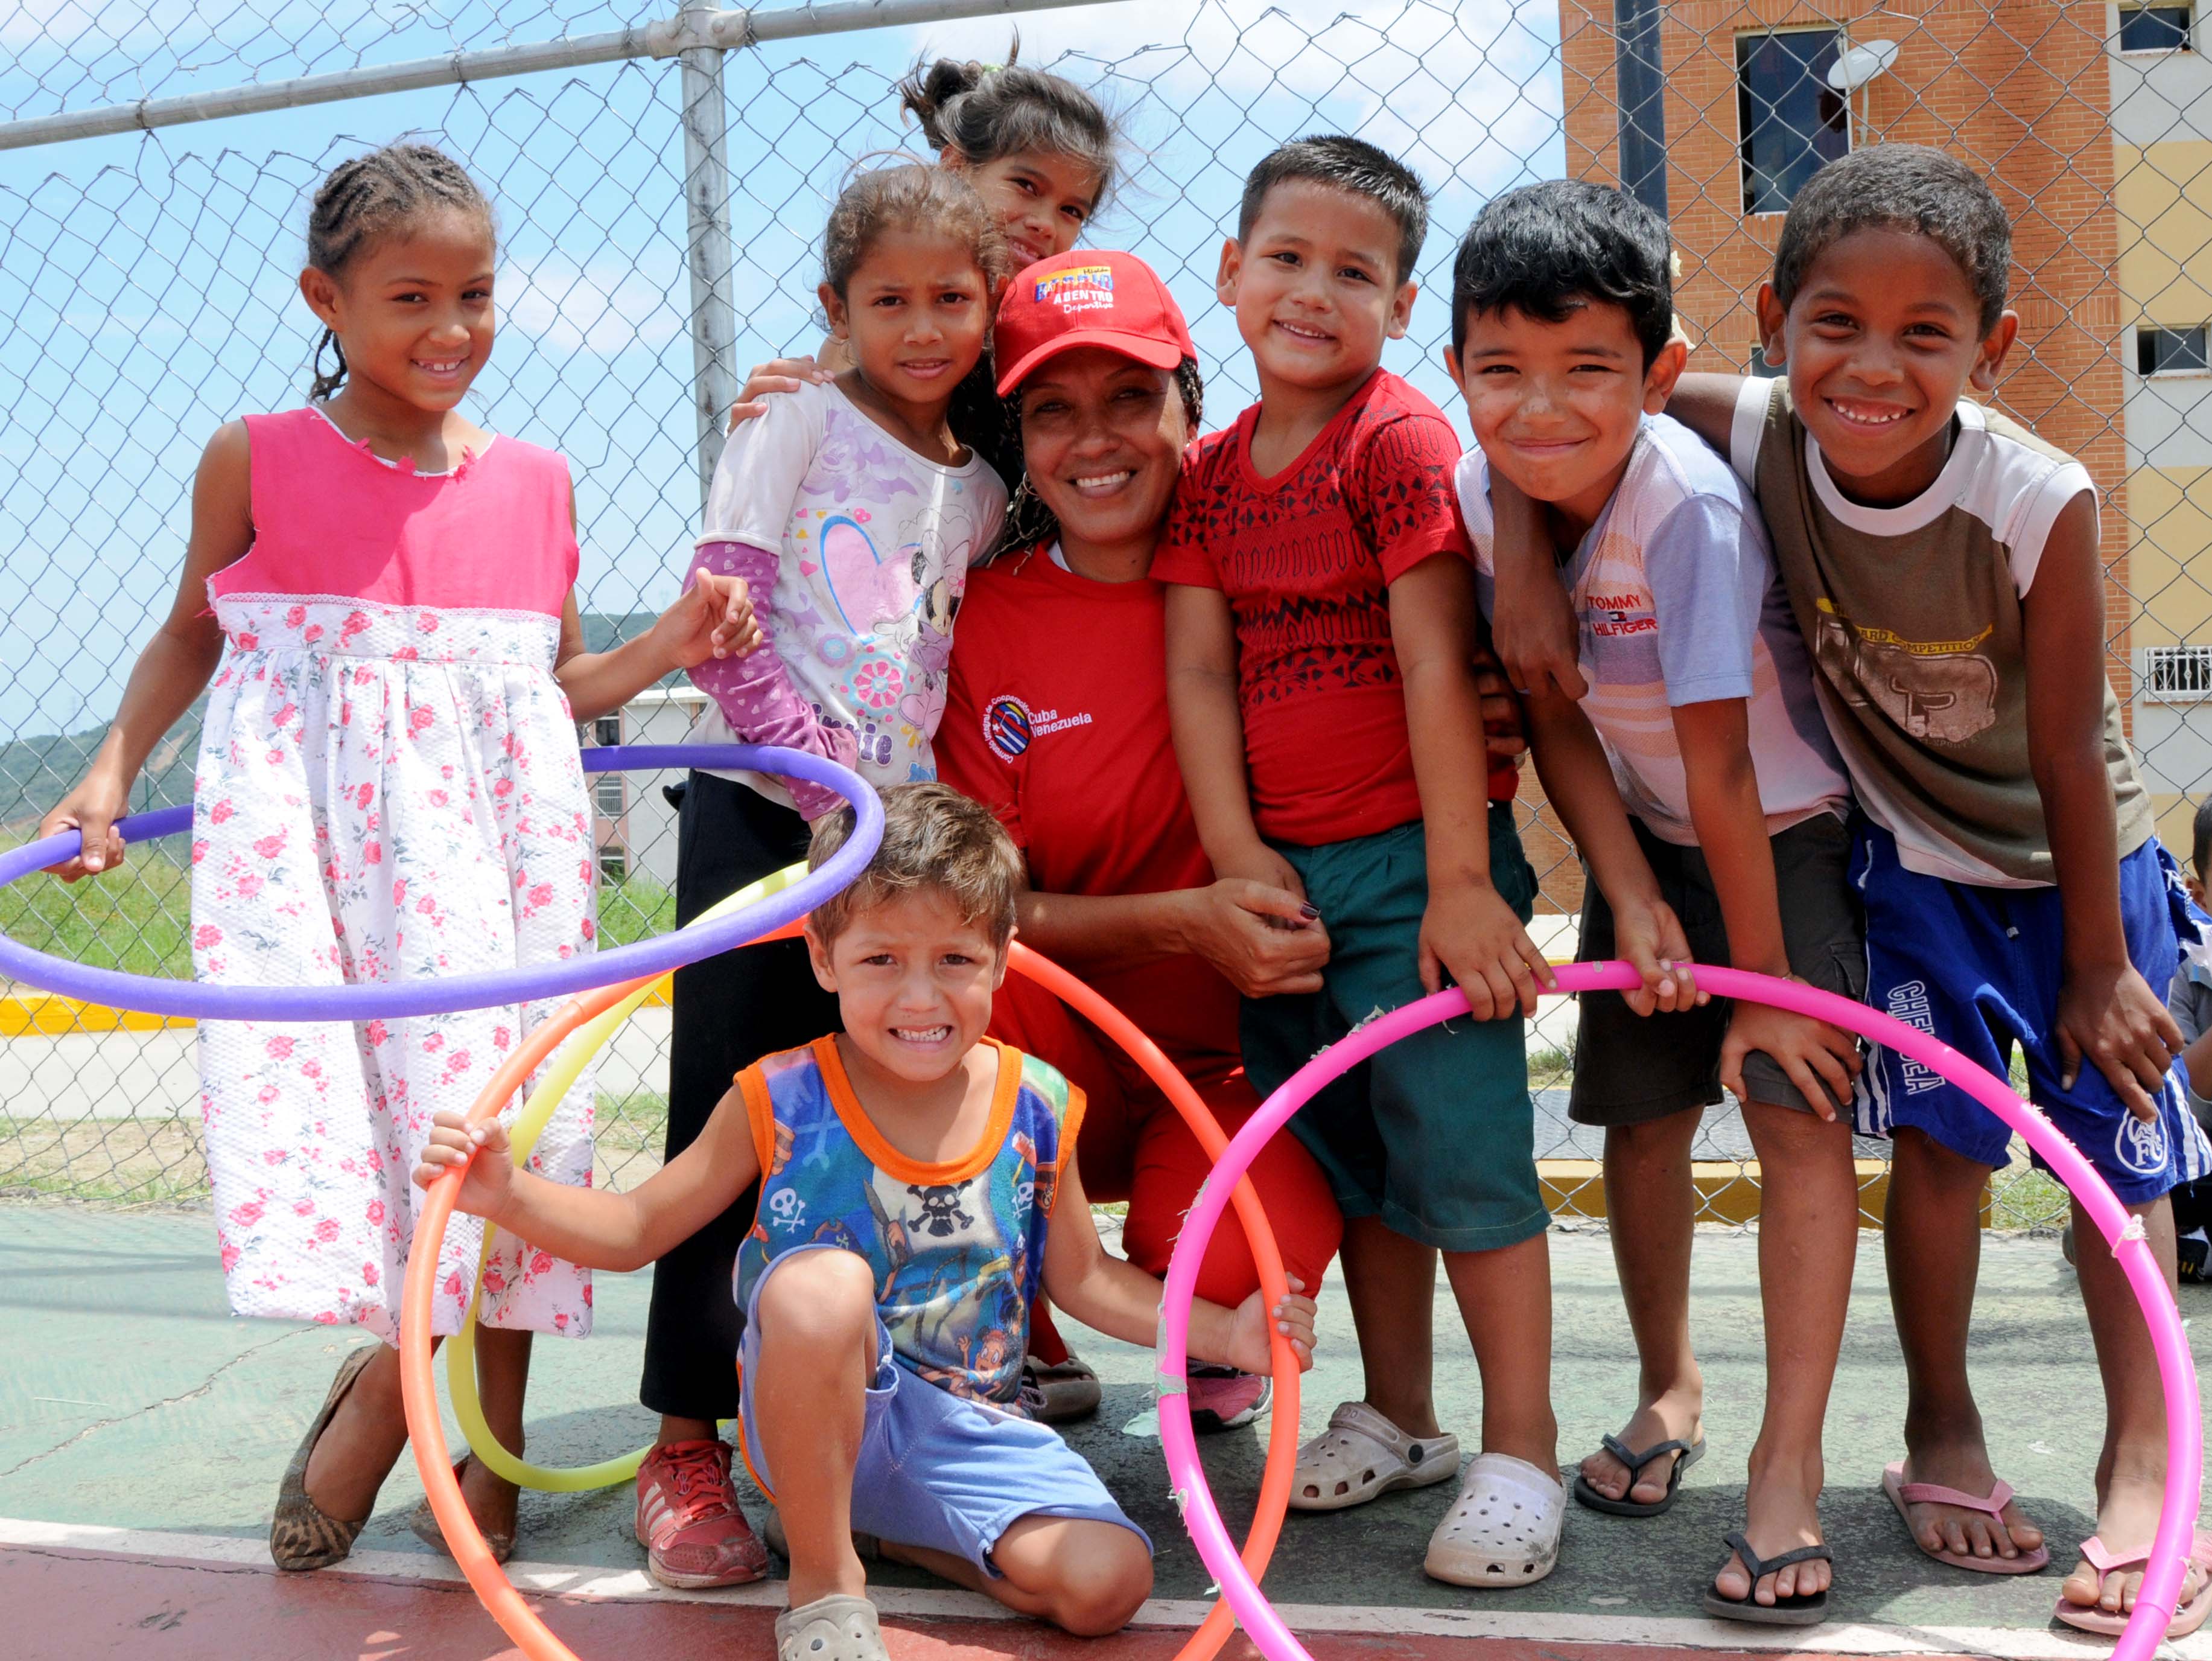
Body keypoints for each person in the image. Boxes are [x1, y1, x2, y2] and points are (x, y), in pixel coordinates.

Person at [1490, 145, 2212, 1634]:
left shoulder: (2037, 495)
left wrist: (2098, 960)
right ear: (1771, 321)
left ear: (1989, 347)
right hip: (1916, 872)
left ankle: (2143, 1467)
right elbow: (1550, 423)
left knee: (2115, 1163)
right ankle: (1938, 1437)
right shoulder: (1748, 423)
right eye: (1833, 323)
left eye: (1922, 333)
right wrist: (1514, 554)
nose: (1870, 365)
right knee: (1942, 1159)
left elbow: (2079, 758)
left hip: (2074, 871)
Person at [33, 143, 757, 1572]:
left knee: (501, 1139)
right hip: (326, 861)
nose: (451, 330)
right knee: (381, 1137)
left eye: (477, 295)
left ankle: (481, 1459)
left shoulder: (537, 480)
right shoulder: (262, 455)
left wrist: (668, 648)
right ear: (327, 299)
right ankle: (386, 1385)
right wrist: (107, 772)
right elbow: (195, 627)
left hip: (500, 864)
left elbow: (550, 694)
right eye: (410, 296)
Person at [413, 782, 1319, 1661]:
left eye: (954, 962)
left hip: (967, 1430)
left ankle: (883, 1537)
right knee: (824, 1283)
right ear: (822, 957)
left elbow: (1083, 1280)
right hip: (816, 1406)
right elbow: (635, 1228)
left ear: (1002, 959)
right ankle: (825, 1581)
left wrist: (1229, 1334)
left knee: (1107, 1585)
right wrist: (505, 1194)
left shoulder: (1036, 1106)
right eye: (881, 960)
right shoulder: (779, 1096)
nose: (920, 1000)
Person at [1154, 135, 1693, 1589]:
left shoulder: (1389, 442)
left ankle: (1517, 1443)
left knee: (1462, 1163)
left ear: (1402, 312)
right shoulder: (1205, 473)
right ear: (1228, 272)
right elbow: (1199, 674)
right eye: (1284, 259)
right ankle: (1401, 1414)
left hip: (1411, 866)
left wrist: (1462, 880)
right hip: (1283, 883)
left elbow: (1429, 665)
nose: (1310, 291)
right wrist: (1229, 861)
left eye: (1353, 271)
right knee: (1356, 1164)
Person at [1447, 179, 1862, 1622]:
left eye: (1585, 374)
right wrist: (1622, 893)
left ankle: (1784, 1467)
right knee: (1634, 1112)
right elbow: (1555, 716)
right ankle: (1666, 1383)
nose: (1538, 410)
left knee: (1792, 1111)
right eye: (1499, 372)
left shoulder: (1679, 509)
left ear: (1657, 372)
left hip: (1776, 831)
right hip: (1638, 831)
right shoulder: (1474, 486)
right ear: (1453, 371)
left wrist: (1754, 985)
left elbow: (1729, 773)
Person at [634, 161, 1011, 1590]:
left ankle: (856, 1422)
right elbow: (722, 626)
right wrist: (816, 793)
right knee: (726, 1120)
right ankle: (683, 1441)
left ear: (988, 308)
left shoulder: (977, 481)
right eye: (889, 299)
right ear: (833, 307)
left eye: (950, 300)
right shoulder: (791, 416)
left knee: (853, 1121)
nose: (922, 326)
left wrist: (877, 822)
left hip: (877, 846)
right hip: (767, 821)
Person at [933, 249, 1346, 1434]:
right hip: (1063, 1046)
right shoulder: (990, 614)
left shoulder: (1288, 566)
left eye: (1130, 397)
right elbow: (983, 911)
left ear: (1191, 401)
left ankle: (1196, 1317)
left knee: (1230, 1269)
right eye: (1053, 410)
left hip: (1232, 1063)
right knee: (949, 985)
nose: (1094, 438)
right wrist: (1184, 919)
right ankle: (1012, 1324)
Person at [729, 51, 1120, 503]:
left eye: (1072, 211)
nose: (1045, 223)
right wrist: (771, 427)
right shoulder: (873, 334)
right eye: (1026, 186)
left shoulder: (1059, 333)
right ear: (955, 167)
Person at [2169, 783, 2212, 1280]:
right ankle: (2189, 1243)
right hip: (2204, 1157)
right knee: (2147, 1189)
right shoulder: (2179, 968)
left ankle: (2200, 1252)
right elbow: (2183, 1104)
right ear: (2200, 896)